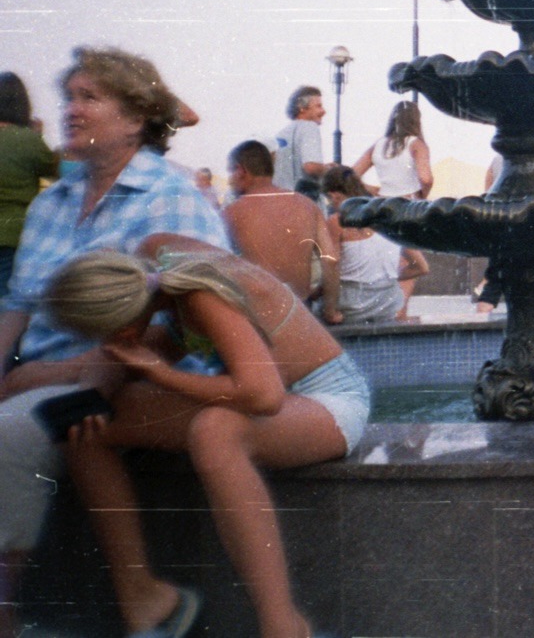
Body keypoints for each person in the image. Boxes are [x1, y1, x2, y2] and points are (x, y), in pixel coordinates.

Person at [0, 47, 228, 637]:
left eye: (90, 97)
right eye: (69, 96)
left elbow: (194, 320)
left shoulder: (170, 196)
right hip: (52, 373)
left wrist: (47, 376)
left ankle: (9, 612)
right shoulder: (51, 203)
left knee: (12, 433)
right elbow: (17, 309)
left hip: (132, 377)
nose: (71, 109)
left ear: (135, 119)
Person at [46, 237, 369, 638]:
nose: (103, 347)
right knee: (88, 425)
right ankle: (144, 598)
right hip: (265, 395)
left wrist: (160, 374)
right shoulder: (154, 263)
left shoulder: (200, 296)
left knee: (216, 430)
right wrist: (93, 396)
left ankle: (284, 627)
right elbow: (120, 361)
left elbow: (263, 396)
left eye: (103, 337)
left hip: (327, 398)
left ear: (126, 327)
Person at [223, 140, 339, 304]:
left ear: (241, 171)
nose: (230, 180)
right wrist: (331, 309)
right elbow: (331, 259)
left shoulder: (230, 213)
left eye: (230, 172)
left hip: (255, 314)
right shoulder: (308, 206)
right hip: (299, 311)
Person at [319, 166, 428, 325]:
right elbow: (421, 267)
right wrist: (380, 280)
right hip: (388, 305)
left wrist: (330, 311)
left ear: (333, 195)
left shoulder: (337, 222)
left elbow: (331, 264)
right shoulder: (388, 217)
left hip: (352, 305)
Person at [0, 72, 58, 304]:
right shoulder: (28, 140)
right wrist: (37, 136)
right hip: (14, 237)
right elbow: (55, 175)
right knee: (7, 306)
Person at [351, 100, 433, 199]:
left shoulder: (378, 145)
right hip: (408, 204)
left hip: (382, 203)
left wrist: (374, 190)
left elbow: (351, 175)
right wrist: (421, 196)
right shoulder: (417, 145)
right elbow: (426, 179)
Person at [274, 85, 328, 197]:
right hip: (303, 203)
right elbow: (311, 167)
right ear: (302, 108)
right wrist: (331, 170)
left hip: (279, 203)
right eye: (318, 106)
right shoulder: (309, 127)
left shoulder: (281, 134)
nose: (324, 111)